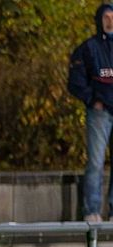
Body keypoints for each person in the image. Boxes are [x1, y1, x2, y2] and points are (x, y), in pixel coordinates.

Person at [69, 3, 113, 222]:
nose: (110, 21)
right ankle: (91, 211)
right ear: (99, 20)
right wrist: (92, 99)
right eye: (106, 17)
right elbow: (75, 81)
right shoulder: (88, 48)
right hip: (100, 113)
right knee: (96, 162)